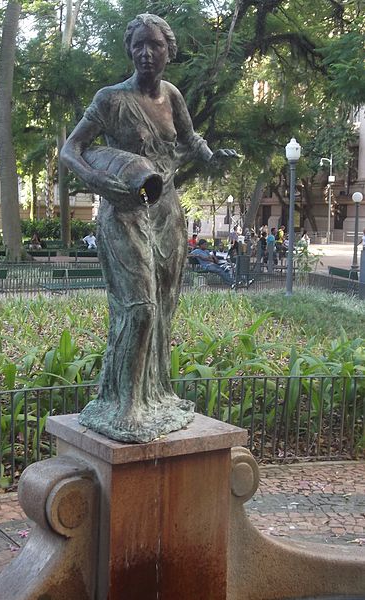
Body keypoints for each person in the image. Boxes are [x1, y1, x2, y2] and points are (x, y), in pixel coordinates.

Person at [61, 13, 238, 441]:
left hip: (165, 210)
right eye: (139, 44)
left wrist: (213, 157)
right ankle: (122, 403)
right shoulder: (110, 99)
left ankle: (152, 395)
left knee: (164, 307)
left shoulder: (172, 95)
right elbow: (71, 149)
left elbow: (189, 139)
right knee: (139, 307)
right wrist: (97, 180)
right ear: (130, 50)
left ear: (168, 50)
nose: (146, 52)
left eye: (154, 45)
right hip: (124, 209)